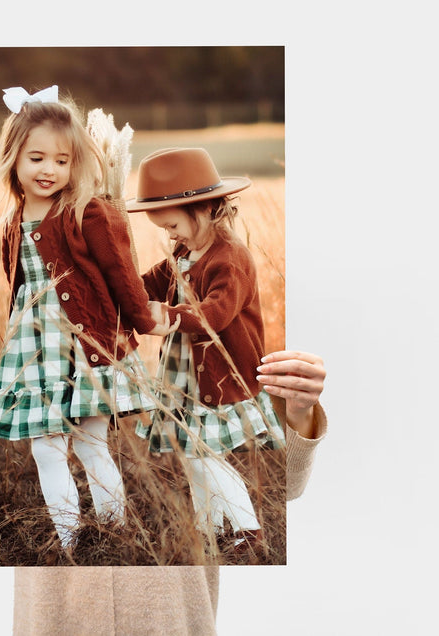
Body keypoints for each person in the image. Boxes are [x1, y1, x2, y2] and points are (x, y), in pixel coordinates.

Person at [0, 347, 326, 635]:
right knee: (58, 452)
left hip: (172, 622)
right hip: (55, 623)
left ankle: (134, 527)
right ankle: (78, 537)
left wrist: (302, 414)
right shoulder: (20, 245)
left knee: (136, 452)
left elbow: (290, 486)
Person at [0, 86, 179, 549]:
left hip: (86, 346)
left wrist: (142, 321)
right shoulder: (12, 223)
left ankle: (115, 534)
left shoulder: (86, 212)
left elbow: (121, 274)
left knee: (92, 444)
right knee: (46, 449)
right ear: (13, 157)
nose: (49, 169)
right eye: (36, 158)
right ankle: (68, 541)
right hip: (35, 350)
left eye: (61, 160)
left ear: (74, 164)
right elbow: (19, 289)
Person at [125, 147, 286, 556]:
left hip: (217, 377)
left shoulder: (230, 260)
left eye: (173, 225)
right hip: (183, 377)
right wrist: (123, 293)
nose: (170, 235)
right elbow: (150, 284)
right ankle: (210, 526)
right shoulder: (183, 252)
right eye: (163, 229)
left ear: (205, 209)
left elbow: (215, 314)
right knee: (190, 454)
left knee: (206, 455)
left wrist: (169, 317)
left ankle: (246, 530)